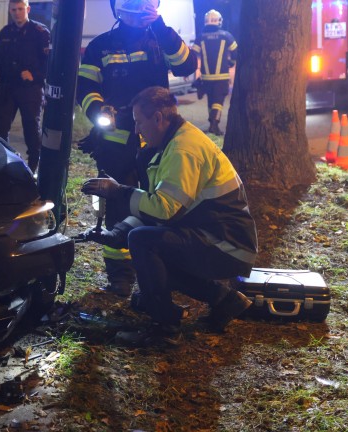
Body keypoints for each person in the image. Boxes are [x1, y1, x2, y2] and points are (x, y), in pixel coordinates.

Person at [81, 86, 257, 346]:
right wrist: (117, 233)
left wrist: (120, 192)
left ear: (159, 118)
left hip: (226, 245)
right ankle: (225, 300)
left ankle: (164, 329)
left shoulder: (181, 150)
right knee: (148, 248)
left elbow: (164, 211)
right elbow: (155, 206)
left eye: (139, 122)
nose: (137, 130)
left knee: (144, 242)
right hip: (224, 240)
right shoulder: (173, 143)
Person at [76, 0, 197, 297]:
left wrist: (160, 25)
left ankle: (160, 270)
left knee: (160, 204)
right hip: (116, 144)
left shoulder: (160, 38)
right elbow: (85, 87)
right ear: (119, 8)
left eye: (149, 4)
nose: (142, 8)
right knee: (117, 205)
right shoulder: (101, 46)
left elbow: (187, 66)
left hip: (158, 143)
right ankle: (120, 275)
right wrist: (99, 111)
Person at [0, 0, 50, 173]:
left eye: (20, 9)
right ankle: (5, 162)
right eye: (14, 10)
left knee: (31, 128)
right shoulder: (6, 32)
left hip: (30, 89)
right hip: (7, 86)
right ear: (10, 11)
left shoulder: (40, 32)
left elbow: (49, 63)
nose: (17, 13)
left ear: (28, 9)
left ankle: (33, 167)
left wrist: (35, 75)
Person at [191, 9, 238, 136]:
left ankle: (212, 122)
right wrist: (232, 62)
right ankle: (214, 124)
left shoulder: (200, 37)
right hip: (222, 76)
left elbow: (193, 55)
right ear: (219, 21)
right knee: (219, 100)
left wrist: (191, 73)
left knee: (211, 99)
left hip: (206, 77)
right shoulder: (226, 35)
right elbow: (235, 51)